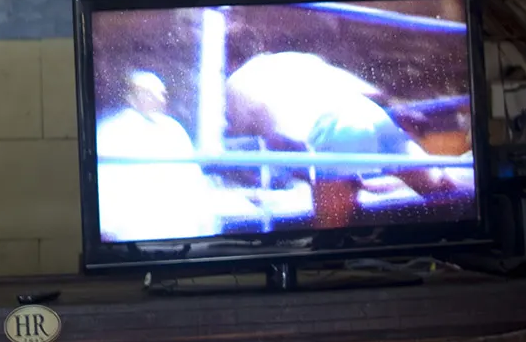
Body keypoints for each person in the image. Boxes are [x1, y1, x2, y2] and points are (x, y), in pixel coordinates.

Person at [221, 51, 473, 210]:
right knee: (440, 185)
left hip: (333, 125)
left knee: (329, 238)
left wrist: (326, 178)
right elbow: (362, 90)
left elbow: (281, 139)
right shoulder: (290, 59)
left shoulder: (237, 85)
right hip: (367, 111)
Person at [94, 68, 223, 241]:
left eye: (161, 93)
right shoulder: (110, 133)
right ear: (130, 97)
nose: (159, 99)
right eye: (149, 93)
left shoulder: (174, 130)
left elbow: (193, 182)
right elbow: (104, 189)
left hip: (179, 233)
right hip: (132, 234)